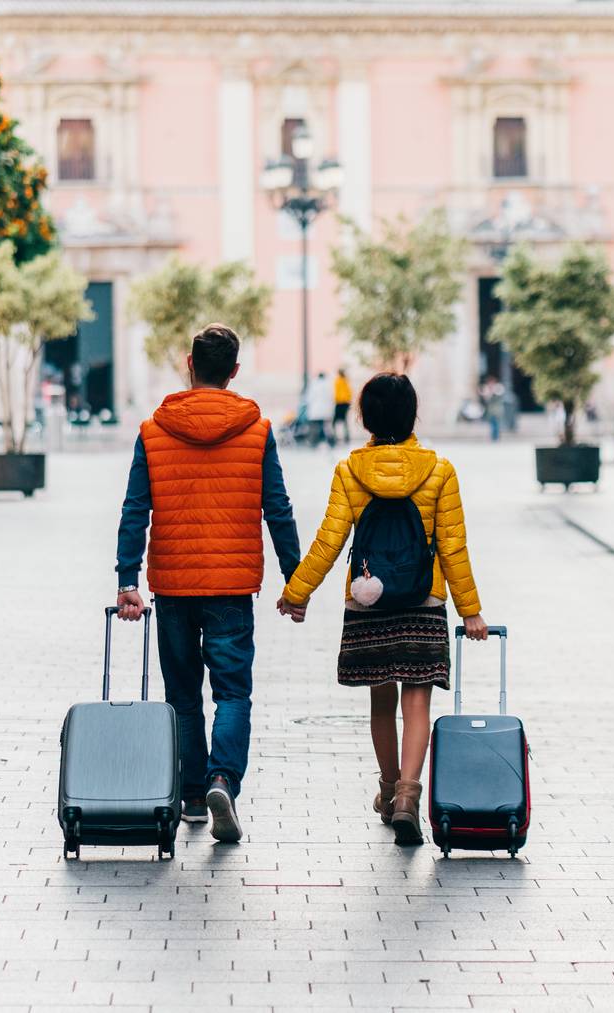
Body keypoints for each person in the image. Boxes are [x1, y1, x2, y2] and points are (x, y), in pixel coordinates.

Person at [275, 373, 489, 846]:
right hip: (423, 599)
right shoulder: (439, 471)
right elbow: (454, 548)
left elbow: (330, 542)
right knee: (417, 701)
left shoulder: (350, 471)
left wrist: (298, 591)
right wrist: (470, 610)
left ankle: (389, 790)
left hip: (368, 599)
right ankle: (410, 798)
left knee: (381, 700)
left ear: (364, 418)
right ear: (413, 415)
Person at [114, 324, 303, 844]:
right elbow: (278, 509)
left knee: (183, 695)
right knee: (233, 692)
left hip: (173, 584)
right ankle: (223, 779)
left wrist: (127, 578)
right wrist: (297, 580)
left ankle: (194, 795)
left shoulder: (154, 430)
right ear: (234, 372)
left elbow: (136, 507)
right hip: (231, 587)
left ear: (189, 364)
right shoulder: (257, 429)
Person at [305, 371, 336, 447]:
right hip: (326, 411)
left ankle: (313, 442)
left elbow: (308, 398)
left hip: (315, 410)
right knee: (328, 428)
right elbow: (332, 398)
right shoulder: (329, 385)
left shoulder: (313, 385)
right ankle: (331, 442)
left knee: (314, 427)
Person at [478, 374, 506, 442]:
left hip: (497, 409)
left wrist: (491, 391)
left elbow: (499, 395)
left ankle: (496, 437)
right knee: (492, 423)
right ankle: (494, 436)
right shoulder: (487, 388)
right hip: (490, 410)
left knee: (496, 423)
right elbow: (486, 399)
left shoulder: (498, 387)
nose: (490, 383)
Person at [331, 369, 352, 444]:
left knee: (334, 422)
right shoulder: (346, 380)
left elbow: (336, 392)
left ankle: (334, 436)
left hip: (339, 403)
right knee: (344, 420)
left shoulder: (338, 381)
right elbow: (349, 392)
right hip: (346, 403)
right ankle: (346, 436)